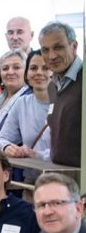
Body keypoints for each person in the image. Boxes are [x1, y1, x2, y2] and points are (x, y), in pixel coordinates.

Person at [0, 51, 52, 173]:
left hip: (60, 178)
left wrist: (37, 154)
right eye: (33, 68)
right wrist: (7, 147)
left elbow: (71, 152)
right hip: (30, 178)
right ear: (26, 75)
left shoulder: (65, 104)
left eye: (45, 68)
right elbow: (1, 139)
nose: (39, 72)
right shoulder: (22, 103)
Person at [41, 21, 82, 167]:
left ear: (74, 46)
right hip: (59, 173)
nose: (52, 56)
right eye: (45, 50)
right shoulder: (52, 86)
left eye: (58, 47)